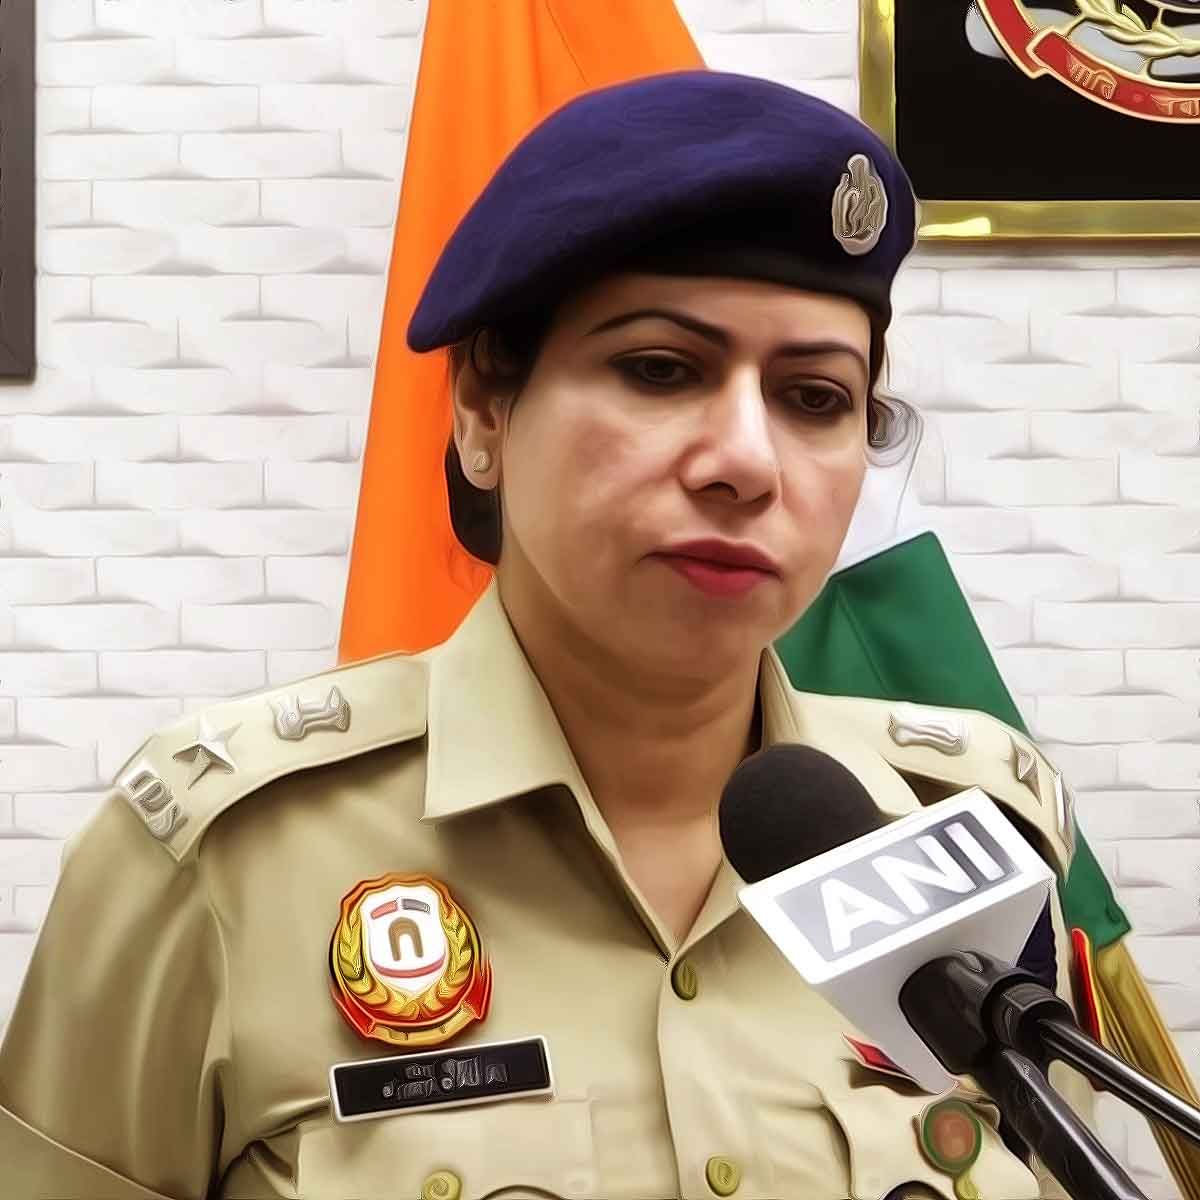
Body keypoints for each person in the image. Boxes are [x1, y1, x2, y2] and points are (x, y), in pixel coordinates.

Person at [0, 69, 1096, 1200]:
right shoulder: (224, 858)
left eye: (814, 397)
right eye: (661, 370)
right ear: (484, 411)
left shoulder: (968, 829)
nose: (746, 461)